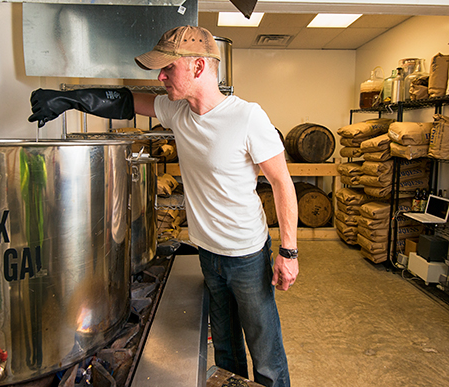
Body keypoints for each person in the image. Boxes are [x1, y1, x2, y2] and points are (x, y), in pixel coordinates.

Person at [28, 25, 299, 387]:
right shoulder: (177, 112)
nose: (161, 76)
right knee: (226, 349)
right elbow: (125, 101)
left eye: (169, 68)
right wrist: (71, 98)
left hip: (247, 254)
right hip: (208, 253)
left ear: (199, 68)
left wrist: (288, 251)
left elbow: (282, 182)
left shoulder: (247, 117)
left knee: (265, 352)